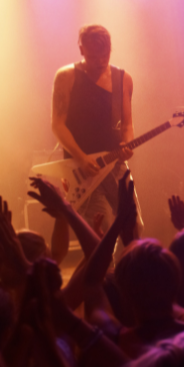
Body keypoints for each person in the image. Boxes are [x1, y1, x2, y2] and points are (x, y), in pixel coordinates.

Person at [51, 24, 142, 232]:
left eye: (105, 56)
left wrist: (127, 144)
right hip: (82, 170)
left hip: (115, 167)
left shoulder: (123, 79)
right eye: (93, 57)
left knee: (134, 227)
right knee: (101, 233)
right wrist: (81, 158)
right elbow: (57, 125)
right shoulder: (66, 77)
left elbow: (127, 124)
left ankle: (127, 265)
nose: (100, 62)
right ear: (81, 50)